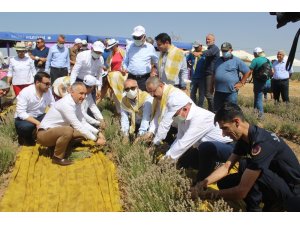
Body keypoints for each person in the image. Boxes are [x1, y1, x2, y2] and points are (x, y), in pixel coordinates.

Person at [192, 103, 300, 212]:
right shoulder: (245, 138)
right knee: (224, 183)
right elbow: (226, 167)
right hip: (274, 179)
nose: (223, 134)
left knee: (246, 165)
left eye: (225, 128)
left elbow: (241, 191)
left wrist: (207, 195)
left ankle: (257, 209)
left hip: (292, 192)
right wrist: (202, 183)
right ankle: (268, 201)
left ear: (236, 122)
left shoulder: (261, 143)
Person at [161, 97, 233, 182]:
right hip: (209, 147)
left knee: (205, 147)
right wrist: (167, 157)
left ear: (185, 109)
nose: (174, 118)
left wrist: (164, 162)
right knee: (185, 161)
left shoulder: (199, 117)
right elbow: (179, 138)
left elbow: (184, 143)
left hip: (228, 147)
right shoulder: (184, 118)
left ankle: (201, 183)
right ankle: (213, 166)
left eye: (175, 115)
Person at [37, 82, 106, 166]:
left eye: (84, 94)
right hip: (44, 135)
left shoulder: (76, 103)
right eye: (81, 93)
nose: (83, 97)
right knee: (68, 130)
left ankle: (56, 147)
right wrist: (96, 140)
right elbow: (77, 124)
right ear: (72, 92)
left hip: (54, 132)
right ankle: (57, 157)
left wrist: (97, 133)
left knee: (81, 134)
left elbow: (82, 122)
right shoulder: (66, 104)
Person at [143, 76, 192, 146]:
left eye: (153, 91)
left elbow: (165, 123)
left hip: (187, 127)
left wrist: (154, 144)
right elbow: (157, 115)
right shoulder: (161, 96)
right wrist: (150, 131)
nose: (152, 95)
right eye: (150, 92)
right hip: (177, 125)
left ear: (161, 86)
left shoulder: (173, 97)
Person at [14, 72, 55, 146]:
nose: (48, 86)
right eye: (46, 84)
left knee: (54, 119)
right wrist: (38, 123)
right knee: (26, 127)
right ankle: (25, 137)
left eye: (49, 84)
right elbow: (21, 113)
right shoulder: (26, 92)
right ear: (37, 82)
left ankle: (42, 136)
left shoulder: (48, 92)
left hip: (39, 116)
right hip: (24, 119)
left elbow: (54, 106)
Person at [213, 42, 251, 112]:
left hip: (230, 92)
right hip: (218, 92)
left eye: (226, 51)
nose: (224, 52)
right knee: (217, 112)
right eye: (223, 50)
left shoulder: (237, 61)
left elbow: (247, 71)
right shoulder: (218, 60)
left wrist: (242, 82)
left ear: (231, 50)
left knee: (231, 112)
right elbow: (214, 73)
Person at [122, 25, 158, 91]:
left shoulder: (150, 47)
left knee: (144, 98)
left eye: (138, 37)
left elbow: (156, 62)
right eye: (135, 37)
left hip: (144, 79)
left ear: (144, 36)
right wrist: (124, 68)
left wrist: (155, 72)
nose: (136, 39)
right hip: (131, 77)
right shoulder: (129, 46)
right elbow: (125, 61)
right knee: (129, 98)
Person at [101, 38, 126, 113]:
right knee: (115, 94)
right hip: (113, 77)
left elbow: (126, 64)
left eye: (112, 47)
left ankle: (124, 111)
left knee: (122, 94)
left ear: (116, 45)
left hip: (122, 76)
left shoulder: (123, 53)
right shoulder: (111, 55)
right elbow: (109, 65)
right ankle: (119, 111)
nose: (111, 48)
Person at [249, 47, 273, 119]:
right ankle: (255, 111)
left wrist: (246, 79)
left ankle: (261, 116)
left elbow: (250, 71)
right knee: (257, 98)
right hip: (268, 83)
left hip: (259, 83)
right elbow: (272, 72)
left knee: (258, 99)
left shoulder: (255, 60)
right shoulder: (267, 60)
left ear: (256, 54)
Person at [201, 34, 220, 112]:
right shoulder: (210, 48)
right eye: (206, 39)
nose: (207, 41)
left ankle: (213, 111)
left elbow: (208, 53)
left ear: (213, 40)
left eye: (209, 39)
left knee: (208, 94)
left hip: (211, 73)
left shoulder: (214, 48)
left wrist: (199, 53)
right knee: (208, 94)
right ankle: (211, 110)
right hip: (208, 73)